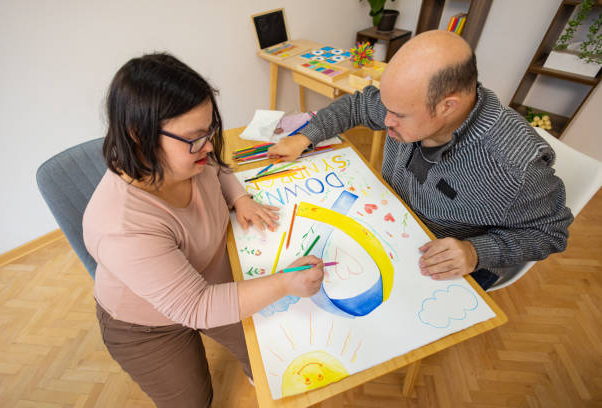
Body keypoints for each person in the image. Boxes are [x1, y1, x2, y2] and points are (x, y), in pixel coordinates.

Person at [83, 53, 324, 408]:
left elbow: (217, 168)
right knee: (192, 400)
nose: (209, 145)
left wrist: (240, 197)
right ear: (139, 136)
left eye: (210, 130)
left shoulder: (188, 155)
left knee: (269, 353)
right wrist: (284, 283)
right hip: (147, 325)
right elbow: (196, 306)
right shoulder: (120, 226)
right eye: (196, 137)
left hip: (211, 279)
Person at [269, 30, 573, 290]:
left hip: (443, 258)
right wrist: (305, 137)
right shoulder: (411, 101)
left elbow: (551, 232)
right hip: (393, 220)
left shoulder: (513, 167)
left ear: (447, 106)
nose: (385, 121)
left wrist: (476, 251)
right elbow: (358, 105)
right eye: (387, 107)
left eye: (398, 115)